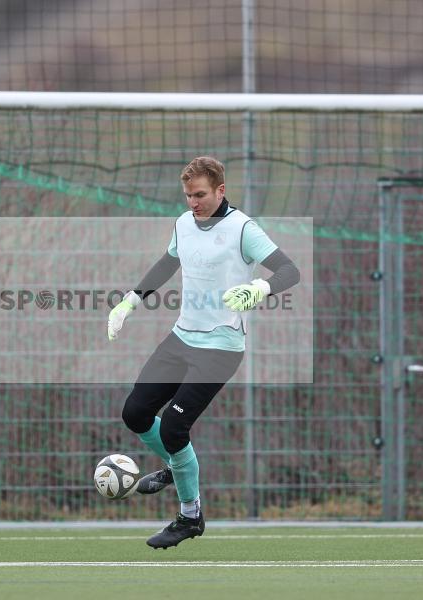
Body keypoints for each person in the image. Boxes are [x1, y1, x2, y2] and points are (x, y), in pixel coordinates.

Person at [107, 156, 300, 549]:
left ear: (220, 191)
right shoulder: (183, 223)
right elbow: (168, 262)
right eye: (188, 195)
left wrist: (260, 288)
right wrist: (129, 301)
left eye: (200, 195)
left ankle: (190, 516)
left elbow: (289, 271)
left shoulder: (242, 228)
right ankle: (176, 467)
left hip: (220, 347)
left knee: (176, 428)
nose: (193, 202)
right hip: (182, 338)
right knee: (136, 413)